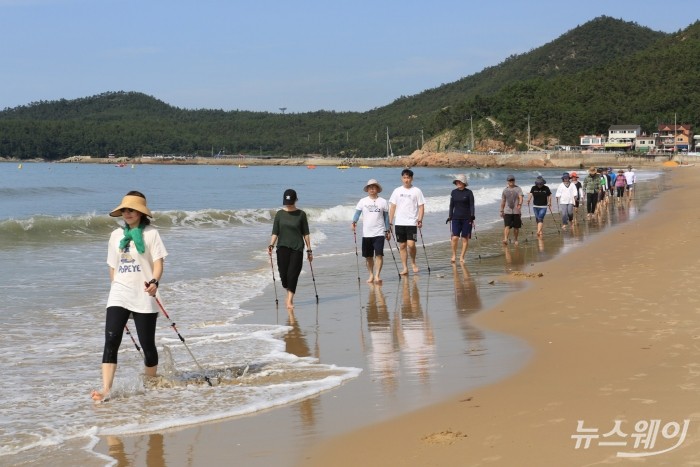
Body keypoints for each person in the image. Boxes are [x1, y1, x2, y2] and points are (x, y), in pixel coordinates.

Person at [91, 191, 168, 403]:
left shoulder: (151, 234)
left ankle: (151, 383)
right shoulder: (116, 236)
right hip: (119, 293)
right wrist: (116, 288)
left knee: (148, 346)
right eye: (124, 210)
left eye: (131, 210)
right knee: (111, 338)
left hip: (144, 292)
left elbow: (159, 263)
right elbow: (112, 266)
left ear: (141, 213)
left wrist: (154, 282)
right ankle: (106, 389)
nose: (127, 213)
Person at [268, 189, 312, 310]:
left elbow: (306, 233)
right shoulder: (279, 214)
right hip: (282, 247)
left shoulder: (301, 214)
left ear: (295, 200)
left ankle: (290, 300)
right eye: (286, 201)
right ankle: (288, 292)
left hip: (297, 247)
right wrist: (271, 245)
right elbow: (275, 232)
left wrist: (309, 250)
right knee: (284, 277)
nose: (288, 203)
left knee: (293, 274)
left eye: (290, 201)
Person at [352, 179, 391, 284]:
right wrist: (354, 222)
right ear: (367, 189)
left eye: (374, 187)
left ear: (377, 189)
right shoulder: (363, 201)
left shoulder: (383, 201)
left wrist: (388, 230)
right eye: (370, 187)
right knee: (368, 256)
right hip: (367, 234)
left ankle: (377, 275)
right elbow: (357, 214)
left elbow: (386, 217)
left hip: (379, 232)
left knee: (379, 254)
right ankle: (371, 275)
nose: (372, 189)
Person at [388, 168, 426, 275]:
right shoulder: (397, 191)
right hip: (399, 222)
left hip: (411, 222)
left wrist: (420, 219)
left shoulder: (417, 191)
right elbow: (393, 207)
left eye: (408, 178)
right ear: (401, 178)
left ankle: (413, 262)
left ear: (412, 178)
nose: (406, 180)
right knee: (402, 246)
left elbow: (421, 206)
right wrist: (390, 222)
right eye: (404, 178)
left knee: (411, 245)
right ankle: (405, 268)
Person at [446, 174, 475, 263]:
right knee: (454, 237)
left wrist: (472, 216)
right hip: (456, 218)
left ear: (464, 182)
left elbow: (471, 205)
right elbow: (451, 205)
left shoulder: (469, 192)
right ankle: (454, 255)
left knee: (464, 238)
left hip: (467, 218)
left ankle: (462, 257)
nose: (458, 183)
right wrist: (450, 216)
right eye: (457, 181)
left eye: (460, 181)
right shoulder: (453, 192)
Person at [500, 174, 524, 245]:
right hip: (507, 211)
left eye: (512, 180)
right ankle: (505, 239)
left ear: (514, 180)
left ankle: (516, 239)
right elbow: (503, 201)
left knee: (516, 227)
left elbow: (521, 197)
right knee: (507, 226)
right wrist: (501, 210)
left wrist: (519, 204)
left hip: (516, 211)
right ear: (507, 181)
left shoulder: (518, 189)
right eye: (510, 180)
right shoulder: (505, 190)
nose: (511, 181)